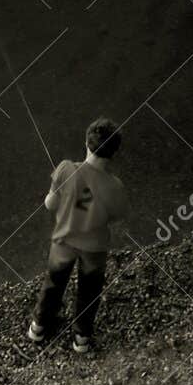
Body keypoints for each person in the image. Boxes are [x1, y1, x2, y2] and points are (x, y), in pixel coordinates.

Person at [27, 117, 125, 354]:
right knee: (89, 291)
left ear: (86, 143)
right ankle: (81, 338)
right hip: (95, 247)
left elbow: (50, 204)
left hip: (63, 242)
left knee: (53, 283)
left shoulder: (65, 168)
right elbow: (115, 216)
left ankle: (38, 328)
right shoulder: (115, 186)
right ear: (114, 153)